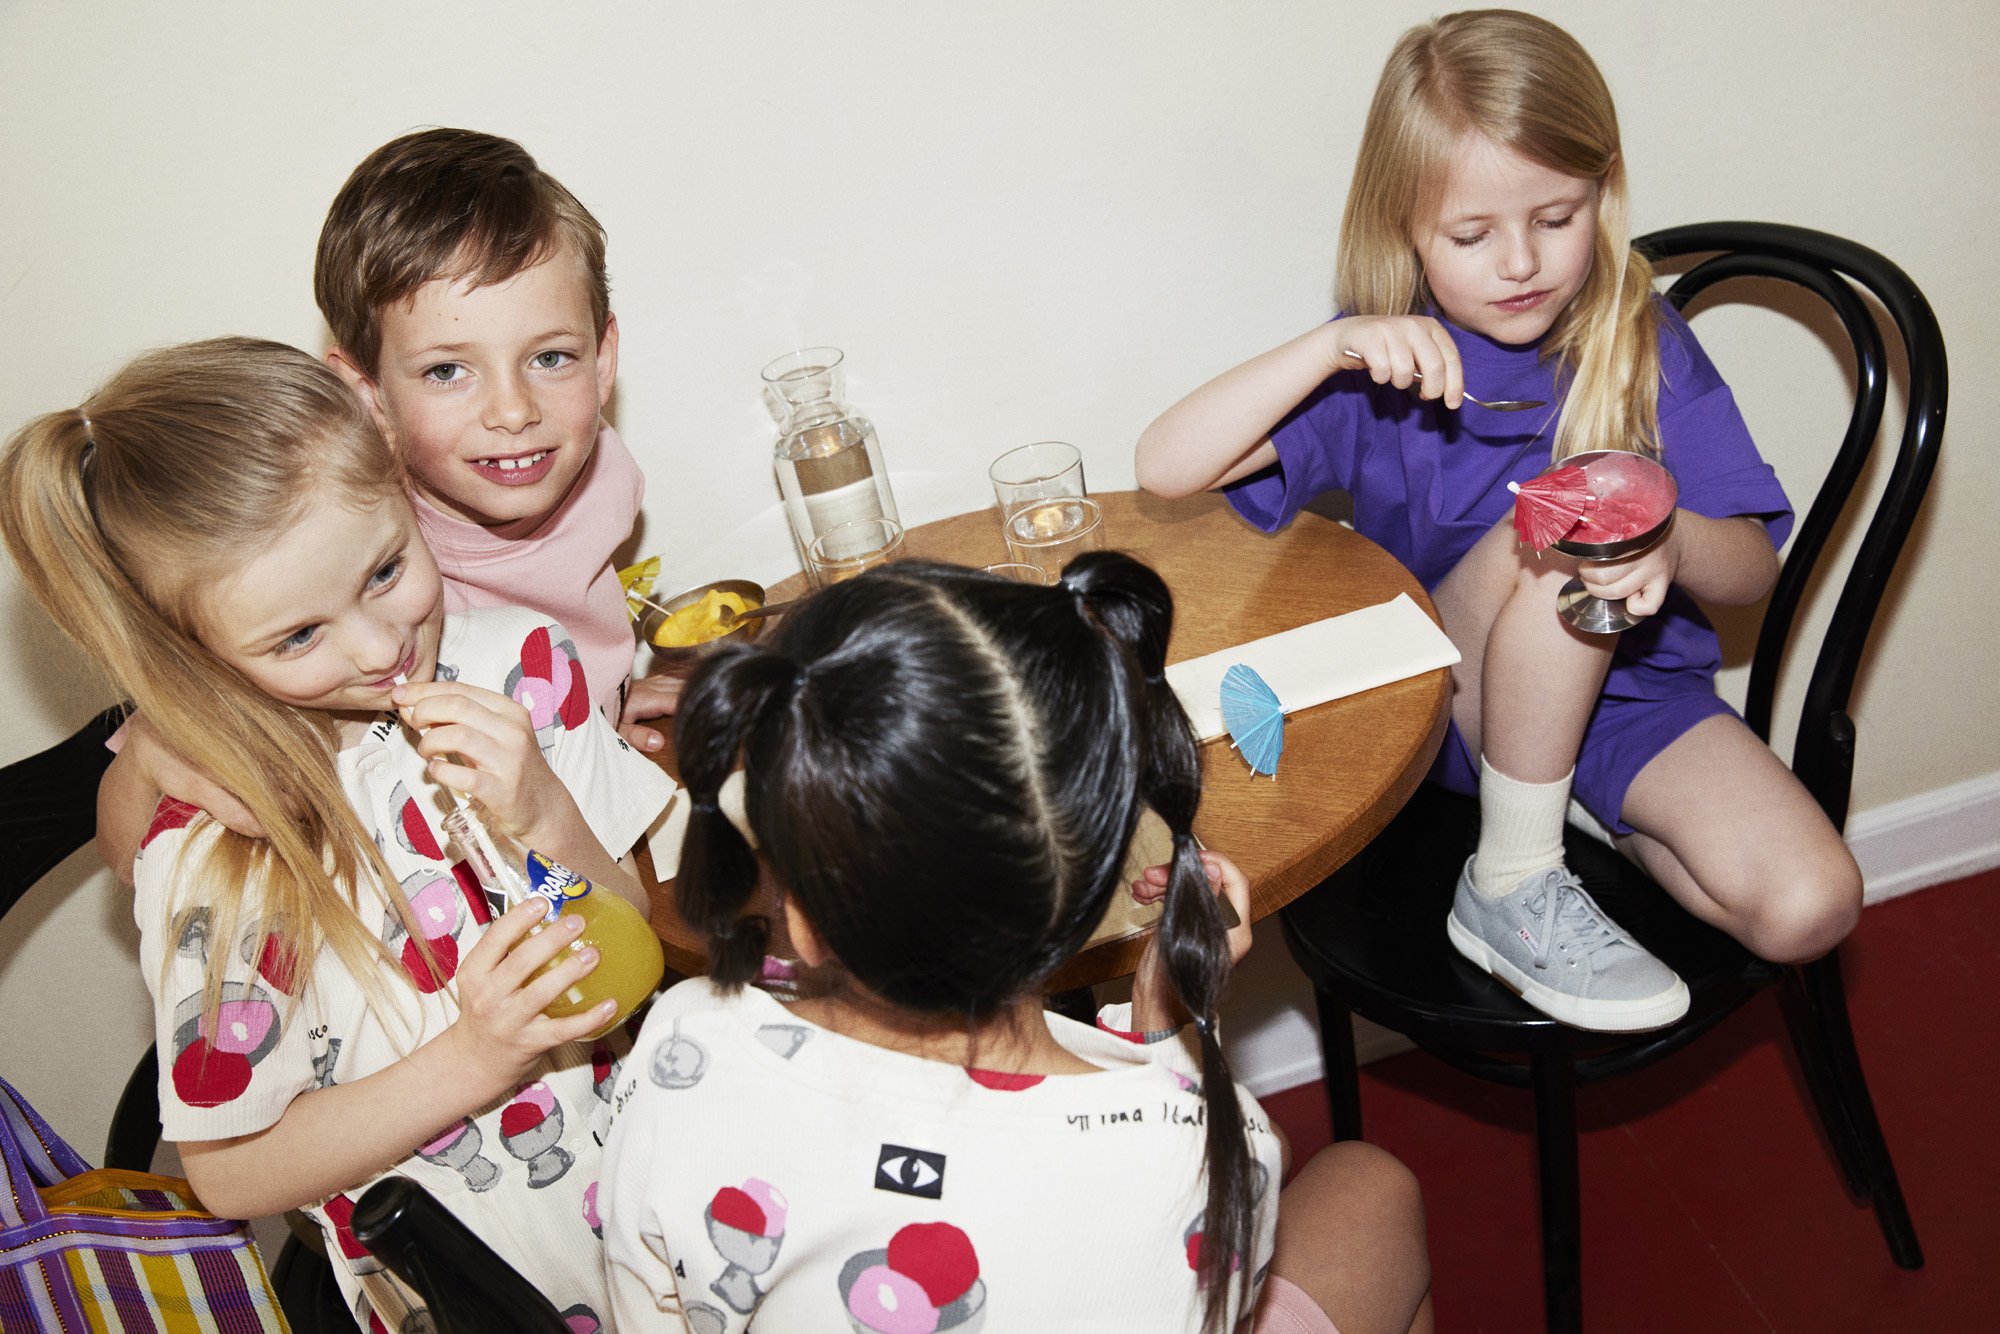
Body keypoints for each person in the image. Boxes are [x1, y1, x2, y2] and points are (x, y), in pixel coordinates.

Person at [1133, 9, 1861, 1033]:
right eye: (1470, 235)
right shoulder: (1381, 365)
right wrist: (1329, 347)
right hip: (1439, 706)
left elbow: (1747, 570)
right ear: (1403, 227)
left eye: (1554, 218)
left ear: (1602, 189)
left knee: (1808, 905)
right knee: (1556, 534)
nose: (1518, 263)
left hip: (1627, 698)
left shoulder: (1638, 340)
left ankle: (1550, 799)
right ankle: (1513, 875)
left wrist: (1666, 539)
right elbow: (1164, 468)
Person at [0, 338, 676, 1330]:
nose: (378, 644)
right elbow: (230, 1170)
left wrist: (543, 810)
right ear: (189, 652)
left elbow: (634, 945)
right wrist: (476, 1055)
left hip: (658, 1188)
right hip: (472, 1289)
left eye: (386, 568)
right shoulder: (220, 852)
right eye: (297, 635)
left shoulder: (520, 667)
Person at [600, 556, 1434, 1334]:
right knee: (1373, 1186)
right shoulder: (1205, 1151)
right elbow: (1211, 1248)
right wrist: (1169, 1038)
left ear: (809, 917)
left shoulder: (680, 1040)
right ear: (1092, 881)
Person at [96, 127, 681, 880]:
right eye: (446, 372)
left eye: (550, 357)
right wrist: (149, 753)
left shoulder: (600, 467)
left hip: (595, 811)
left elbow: (569, 616)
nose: (513, 411)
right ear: (366, 394)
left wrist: (611, 693)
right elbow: (128, 848)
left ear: (602, 360)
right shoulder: (358, 560)